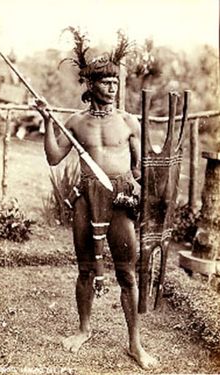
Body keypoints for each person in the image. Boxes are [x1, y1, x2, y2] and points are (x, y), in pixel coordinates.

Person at [36, 29, 158, 370]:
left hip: (119, 200)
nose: (112, 87)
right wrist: (48, 122)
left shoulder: (129, 123)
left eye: (115, 82)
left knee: (128, 274)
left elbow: (139, 169)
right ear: (91, 86)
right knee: (85, 269)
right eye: (105, 82)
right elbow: (54, 157)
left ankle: (135, 344)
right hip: (87, 199)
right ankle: (84, 329)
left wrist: (135, 189)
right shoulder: (76, 122)